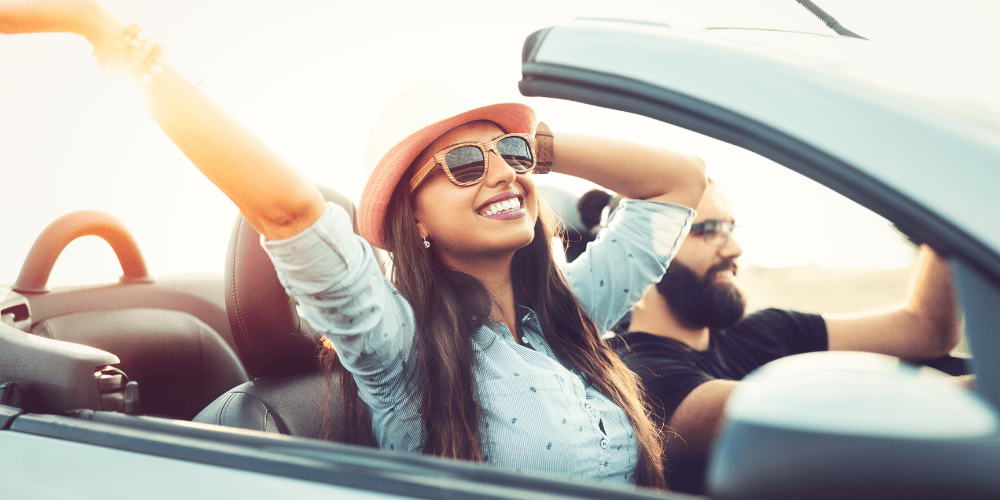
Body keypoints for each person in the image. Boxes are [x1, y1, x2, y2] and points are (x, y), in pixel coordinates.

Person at [0, 0, 708, 489]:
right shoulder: (400, 348)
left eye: (512, 155)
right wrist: (105, 33)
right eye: (462, 165)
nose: (499, 173)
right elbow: (286, 206)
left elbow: (679, 181)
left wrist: (523, 142)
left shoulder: (573, 313)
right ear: (416, 220)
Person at [603, 179, 962, 493]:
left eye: (730, 229)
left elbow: (925, 328)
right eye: (707, 230)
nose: (733, 249)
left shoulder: (768, 330)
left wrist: (945, 217)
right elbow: (825, 412)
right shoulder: (636, 376)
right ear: (640, 253)